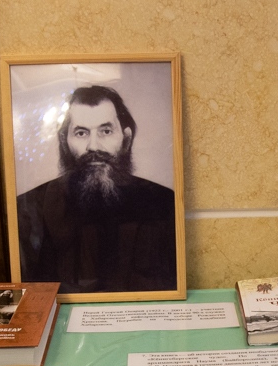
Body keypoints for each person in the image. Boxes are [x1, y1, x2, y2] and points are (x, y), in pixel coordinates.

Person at [16, 85, 177, 294]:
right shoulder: (30, 208)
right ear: (64, 142)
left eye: (106, 131)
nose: (94, 146)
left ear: (126, 139)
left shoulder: (164, 204)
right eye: (81, 133)